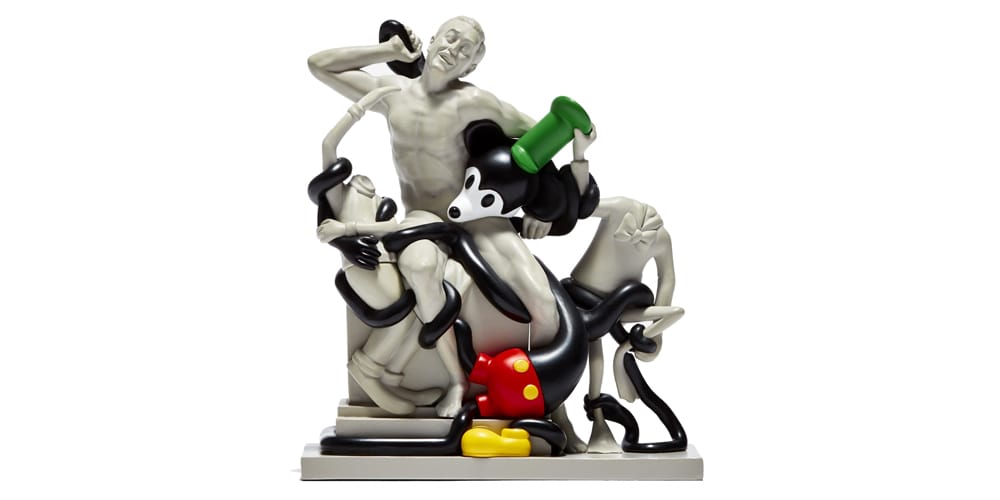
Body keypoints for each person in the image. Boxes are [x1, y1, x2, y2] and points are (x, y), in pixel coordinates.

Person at [307, 17, 561, 417]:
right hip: (423, 219)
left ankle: (547, 405)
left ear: (471, 67)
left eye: (466, 50)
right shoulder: (392, 93)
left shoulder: (475, 101)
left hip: (477, 216)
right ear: (434, 39)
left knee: (543, 304)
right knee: (419, 268)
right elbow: (320, 65)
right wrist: (389, 51)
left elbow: (543, 135)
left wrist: (545, 207)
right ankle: (457, 381)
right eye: (451, 38)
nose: (454, 50)